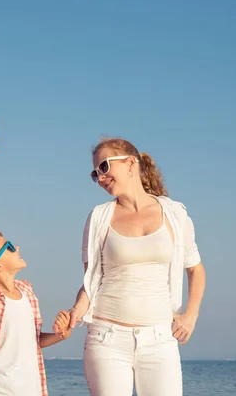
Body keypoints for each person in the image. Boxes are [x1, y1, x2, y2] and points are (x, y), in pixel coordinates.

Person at [54, 137, 207, 396]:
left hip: (160, 339)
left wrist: (190, 316)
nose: (100, 178)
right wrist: (75, 313)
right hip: (107, 339)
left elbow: (196, 269)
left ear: (130, 163)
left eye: (103, 167)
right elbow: (91, 283)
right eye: (95, 174)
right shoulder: (98, 217)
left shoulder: (175, 213)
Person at [0, 230, 73, 396]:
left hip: (31, 388)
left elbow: (34, 341)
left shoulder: (28, 294)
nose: (17, 247)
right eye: (9, 247)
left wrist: (62, 334)